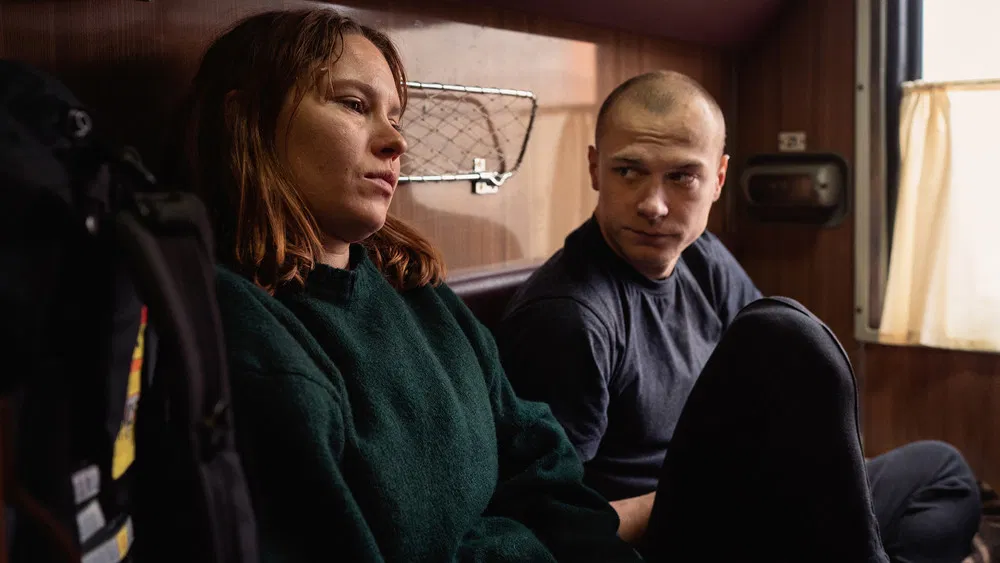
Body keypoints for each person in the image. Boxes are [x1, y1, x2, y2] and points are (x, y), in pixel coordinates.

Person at [168, 8, 642, 562]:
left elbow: (541, 463)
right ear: (247, 119)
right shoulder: (245, 330)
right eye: (353, 104)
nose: (396, 141)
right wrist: (513, 542)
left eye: (395, 116)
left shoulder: (414, 289)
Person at [494, 70, 982, 563]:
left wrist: (817, 476)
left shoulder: (702, 256)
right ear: (596, 169)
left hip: (752, 496)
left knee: (943, 473)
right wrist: (713, 493)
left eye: (682, 177)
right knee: (788, 333)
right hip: (673, 536)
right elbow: (553, 527)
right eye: (628, 171)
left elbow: (780, 394)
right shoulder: (566, 318)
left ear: (719, 180)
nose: (653, 205)